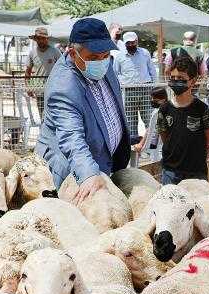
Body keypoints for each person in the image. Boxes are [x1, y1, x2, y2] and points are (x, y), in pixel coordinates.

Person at [35, 18, 131, 205]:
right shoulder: (64, 86)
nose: (101, 61)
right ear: (72, 53)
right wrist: (88, 174)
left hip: (105, 165)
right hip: (74, 175)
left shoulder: (103, 63)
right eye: (94, 57)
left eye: (105, 55)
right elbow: (72, 138)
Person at [156, 57, 209, 185]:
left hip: (196, 171)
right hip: (170, 171)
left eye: (181, 79)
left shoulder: (201, 109)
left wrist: (200, 157)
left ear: (192, 81)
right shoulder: (164, 109)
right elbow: (165, 137)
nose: (176, 81)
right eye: (173, 78)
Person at [113, 32, 157, 145]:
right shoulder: (119, 56)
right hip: (128, 91)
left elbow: (152, 70)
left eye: (133, 42)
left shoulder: (145, 53)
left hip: (145, 90)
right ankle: (133, 147)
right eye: (128, 43)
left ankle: (151, 145)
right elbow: (115, 74)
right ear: (125, 43)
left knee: (149, 118)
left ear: (137, 41)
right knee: (130, 120)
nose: (131, 45)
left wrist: (154, 87)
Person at [25, 27, 61, 116]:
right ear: (35, 39)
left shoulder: (55, 51)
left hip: (53, 88)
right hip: (39, 88)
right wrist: (28, 87)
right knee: (42, 114)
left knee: (54, 112)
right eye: (38, 38)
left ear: (47, 39)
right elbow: (27, 71)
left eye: (43, 38)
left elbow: (63, 67)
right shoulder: (32, 53)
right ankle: (43, 128)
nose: (41, 40)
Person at [134, 86, 168, 164]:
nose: (152, 101)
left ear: (163, 99)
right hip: (156, 147)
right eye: (151, 98)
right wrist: (141, 144)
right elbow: (150, 128)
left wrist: (142, 146)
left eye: (155, 99)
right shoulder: (156, 111)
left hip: (163, 149)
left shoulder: (161, 112)